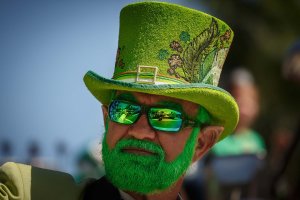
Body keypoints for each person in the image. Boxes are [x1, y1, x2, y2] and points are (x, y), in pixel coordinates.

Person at [0, 2, 239, 200]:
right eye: (124, 110)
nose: (140, 131)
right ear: (106, 119)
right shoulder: (27, 192)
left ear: (202, 143)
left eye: (166, 116)